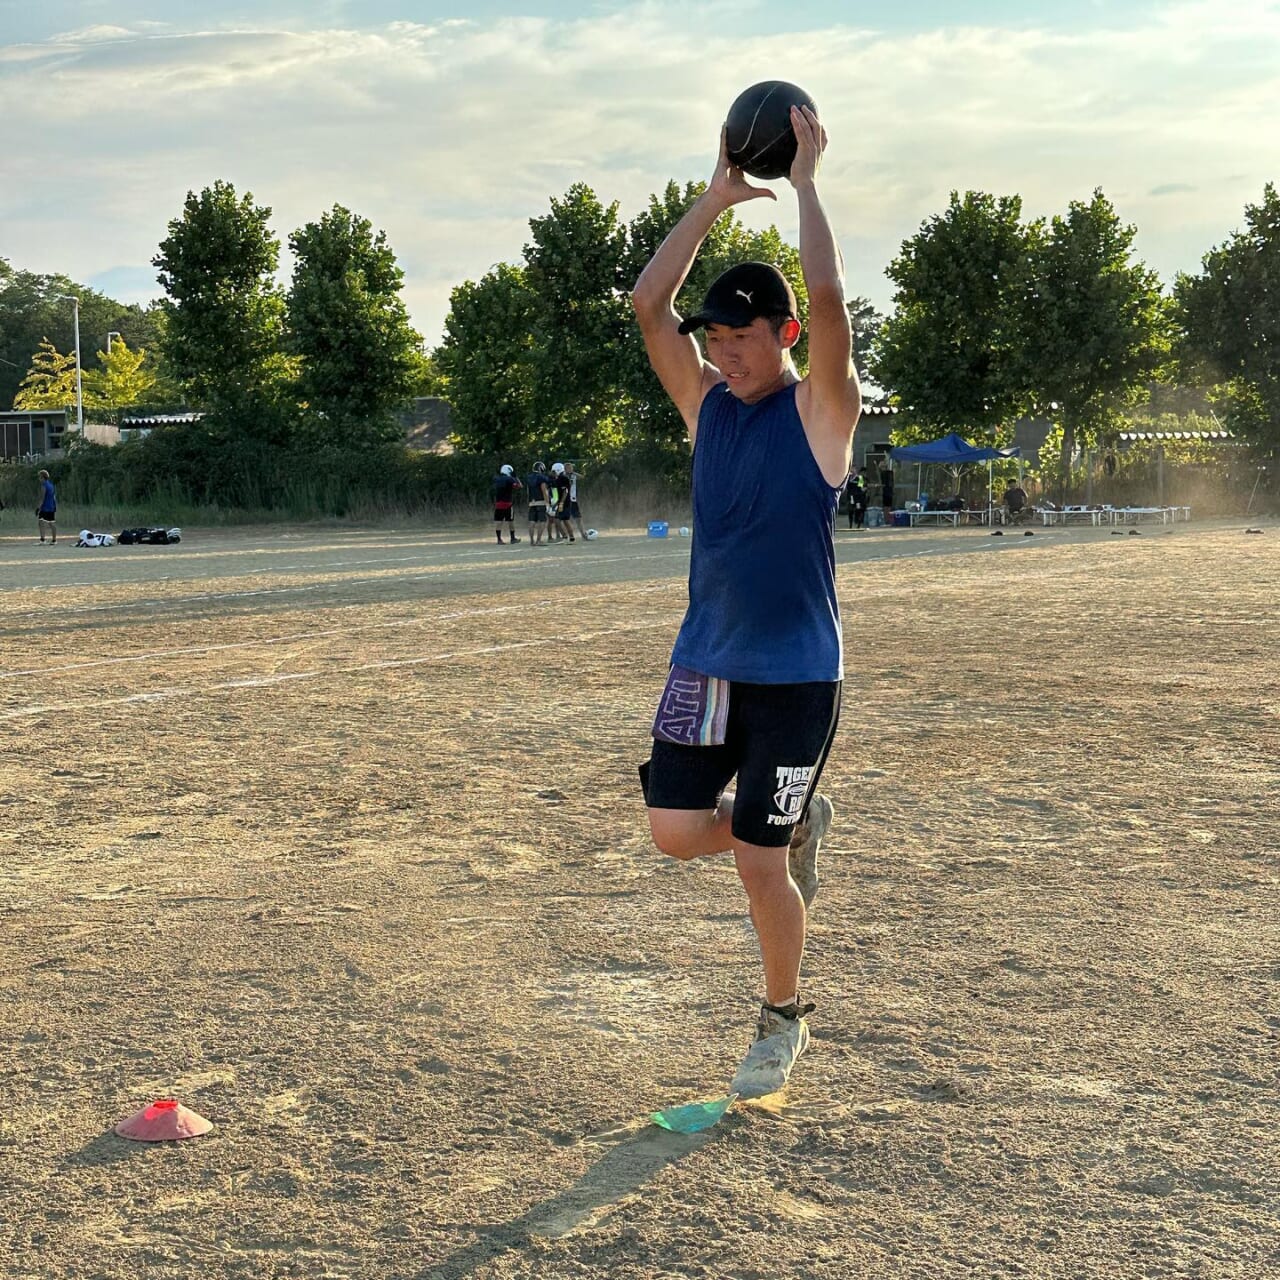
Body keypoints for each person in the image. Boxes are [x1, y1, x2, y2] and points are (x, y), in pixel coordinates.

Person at [631, 105, 860, 1098]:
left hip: (797, 678)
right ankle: (792, 821)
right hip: (706, 664)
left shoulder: (820, 412)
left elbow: (829, 299)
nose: (723, 353)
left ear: (785, 335)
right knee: (675, 830)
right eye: (715, 338)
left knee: (756, 864)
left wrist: (804, 187)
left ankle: (780, 1016)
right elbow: (648, 304)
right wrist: (714, 198)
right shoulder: (708, 408)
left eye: (741, 338)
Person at [491, 464, 522, 544]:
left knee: (499, 522)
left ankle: (499, 539)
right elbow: (519, 486)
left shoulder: (497, 479)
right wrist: (516, 477)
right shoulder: (510, 479)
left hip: (498, 503)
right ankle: (512, 538)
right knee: (510, 521)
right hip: (508, 503)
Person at [525, 461, 552, 544]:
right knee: (542, 521)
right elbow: (544, 490)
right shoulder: (541, 477)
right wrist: (548, 502)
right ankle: (538, 540)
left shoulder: (529, 477)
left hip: (532, 502)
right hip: (541, 501)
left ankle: (532, 540)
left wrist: (529, 501)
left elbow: (528, 491)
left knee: (532, 521)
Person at [550, 462, 576, 542]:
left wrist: (561, 503)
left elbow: (565, 491)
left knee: (561, 520)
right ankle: (569, 537)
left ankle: (567, 537)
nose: (552, 473)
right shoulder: (558, 479)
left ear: (557, 470)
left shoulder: (563, 478)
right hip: (562, 502)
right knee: (563, 520)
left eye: (554, 471)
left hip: (564, 502)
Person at [563, 461, 588, 540]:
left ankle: (583, 534)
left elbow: (582, 477)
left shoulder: (574, 475)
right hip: (565, 500)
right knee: (564, 519)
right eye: (570, 467)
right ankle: (564, 535)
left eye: (572, 468)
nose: (571, 469)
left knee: (578, 518)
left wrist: (573, 473)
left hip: (573, 499)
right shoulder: (563, 476)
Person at [36, 470, 57, 543]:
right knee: (51, 522)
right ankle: (54, 540)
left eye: (40, 477)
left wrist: (38, 508)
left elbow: (42, 498)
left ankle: (42, 540)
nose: (39, 479)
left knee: (41, 522)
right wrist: (54, 505)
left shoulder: (44, 485)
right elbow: (54, 497)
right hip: (51, 506)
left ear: (42, 477)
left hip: (45, 507)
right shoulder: (51, 485)